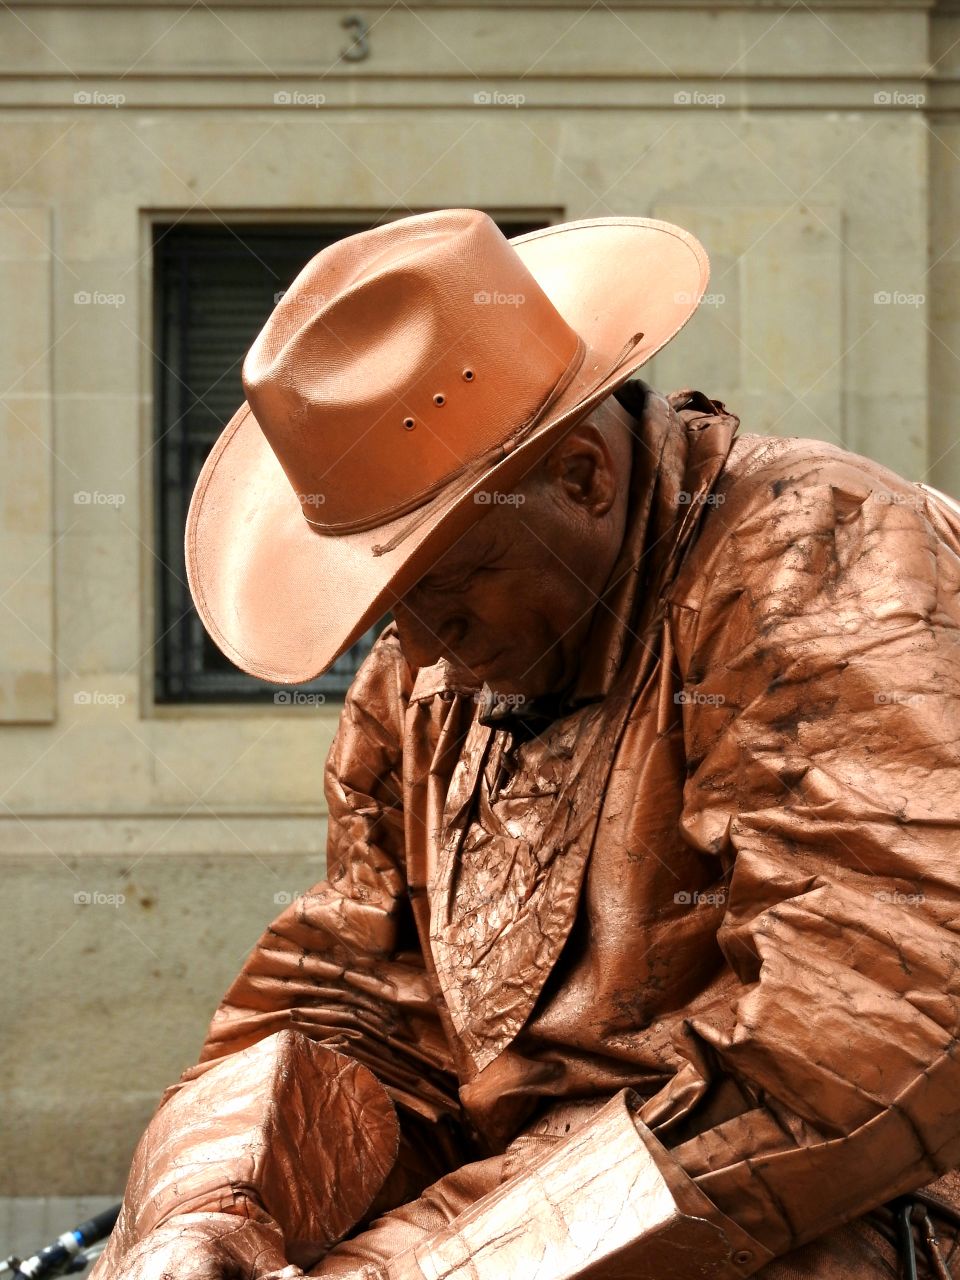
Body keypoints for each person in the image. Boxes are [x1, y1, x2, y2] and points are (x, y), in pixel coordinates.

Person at [94, 209, 960, 1279]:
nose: (421, 651)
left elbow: (874, 1033)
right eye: (390, 607)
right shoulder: (420, 668)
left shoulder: (821, 556)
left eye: (451, 584)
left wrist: (440, 1267)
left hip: (843, 1211)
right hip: (525, 1209)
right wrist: (215, 1202)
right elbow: (357, 1001)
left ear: (585, 478)